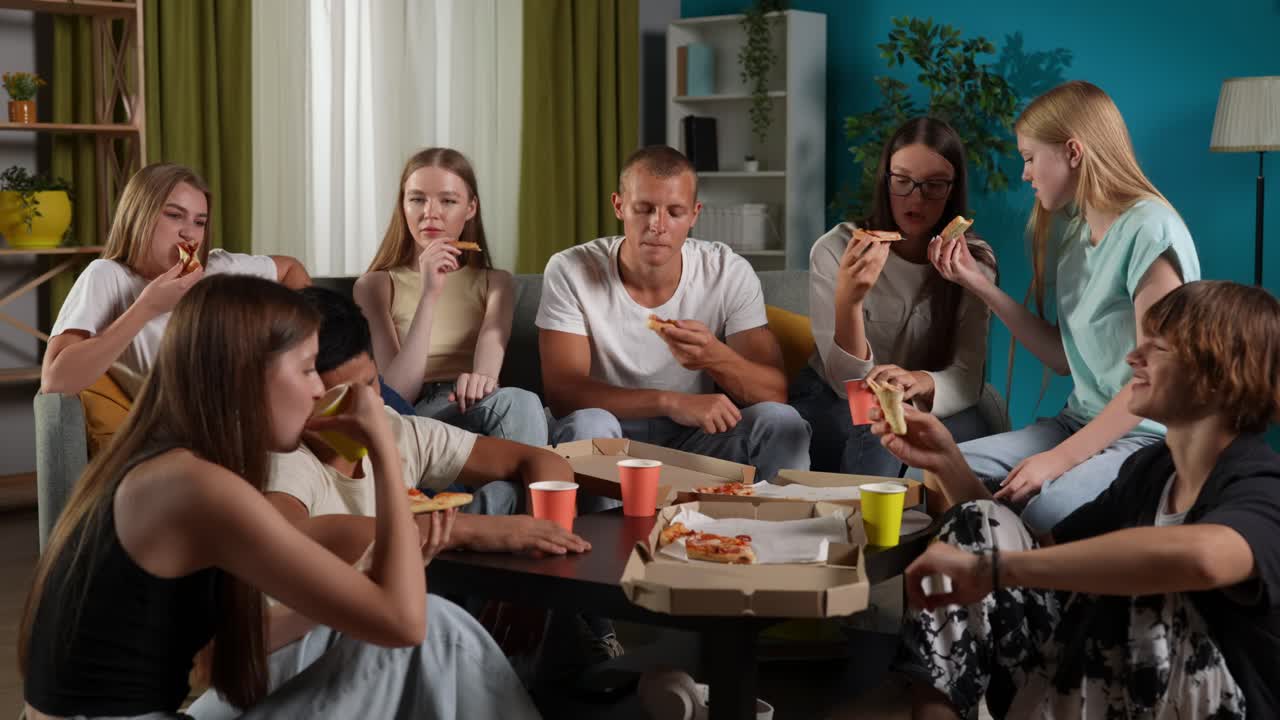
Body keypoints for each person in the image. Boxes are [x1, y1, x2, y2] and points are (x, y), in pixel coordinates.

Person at [21, 274, 539, 720]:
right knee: (437, 631)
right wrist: (380, 444)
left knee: (376, 635)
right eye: (309, 368)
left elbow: (211, 657)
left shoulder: (165, 462)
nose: (320, 391)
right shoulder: (196, 486)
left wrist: (357, 584)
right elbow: (404, 622)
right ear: (248, 374)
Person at [873, 280, 1280, 719]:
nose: (1132, 359)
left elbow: (1205, 558)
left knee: (1144, 588)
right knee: (982, 521)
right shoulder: (1150, 470)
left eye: (1157, 348)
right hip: (1109, 691)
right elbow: (1046, 558)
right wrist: (945, 460)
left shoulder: (1261, 482)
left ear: (1219, 373)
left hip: (1219, 704)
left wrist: (993, 570)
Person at [928, 80, 1199, 532]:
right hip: (1077, 421)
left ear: (1073, 152)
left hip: (1146, 436)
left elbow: (1158, 377)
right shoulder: (1076, 232)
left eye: (1031, 158)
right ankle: (988, 595)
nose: (1025, 175)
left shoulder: (1150, 230)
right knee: (942, 473)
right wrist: (979, 285)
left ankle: (1024, 593)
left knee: (1046, 510)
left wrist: (1056, 461)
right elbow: (1061, 358)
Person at [537, 145, 810, 482]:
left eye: (675, 212)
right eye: (644, 209)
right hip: (610, 437)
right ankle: (593, 535)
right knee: (588, 423)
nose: (658, 225)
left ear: (694, 215)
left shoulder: (728, 272)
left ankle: (772, 531)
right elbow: (563, 395)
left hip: (697, 442)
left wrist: (714, 356)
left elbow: (774, 394)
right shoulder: (571, 268)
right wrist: (670, 402)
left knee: (781, 421)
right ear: (619, 206)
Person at [790, 117, 998, 477]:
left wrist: (921, 380)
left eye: (933, 186)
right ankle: (866, 531)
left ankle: (958, 532)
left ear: (953, 189)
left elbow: (967, 375)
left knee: (975, 431)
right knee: (879, 425)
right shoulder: (836, 249)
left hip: (917, 396)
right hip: (833, 397)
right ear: (885, 180)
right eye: (902, 181)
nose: (915, 198)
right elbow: (845, 383)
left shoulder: (972, 261)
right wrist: (849, 302)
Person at [40, 162, 311, 398]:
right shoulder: (108, 276)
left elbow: (290, 270)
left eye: (199, 222)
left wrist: (293, 350)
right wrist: (147, 308)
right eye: (174, 215)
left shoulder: (219, 269)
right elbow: (55, 382)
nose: (189, 234)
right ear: (139, 216)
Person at [354, 147, 546, 445]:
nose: (430, 212)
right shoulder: (375, 285)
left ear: (470, 208)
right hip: (420, 412)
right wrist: (430, 293)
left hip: (482, 403)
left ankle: (496, 492)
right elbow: (397, 395)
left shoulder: (496, 283)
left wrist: (480, 381)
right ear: (403, 206)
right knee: (520, 405)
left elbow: (487, 375)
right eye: (417, 199)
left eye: (448, 200)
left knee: (524, 405)